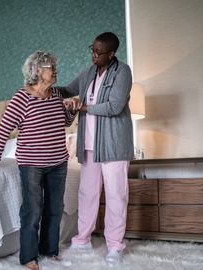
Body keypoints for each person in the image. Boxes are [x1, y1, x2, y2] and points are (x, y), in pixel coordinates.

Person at [0, 51, 77, 270]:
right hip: (32, 165)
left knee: (55, 208)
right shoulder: (21, 98)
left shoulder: (57, 95)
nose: (56, 70)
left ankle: (49, 250)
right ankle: (29, 256)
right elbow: (3, 131)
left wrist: (72, 111)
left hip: (58, 162)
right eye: (51, 67)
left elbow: (64, 123)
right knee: (32, 210)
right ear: (37, 70)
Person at [59, 32, 133, 265]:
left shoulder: (123, 72)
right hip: (89, 145)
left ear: (111, 54)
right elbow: (68, 89)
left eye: (98, 52)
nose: (93, 55)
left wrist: (83, 108)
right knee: (87, 193)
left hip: (113, 145)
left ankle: (115, 245)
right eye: (92, 49)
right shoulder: (89, 72)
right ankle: (82, 240)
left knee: (115, 195)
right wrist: (43, 88)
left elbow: (114, 106)